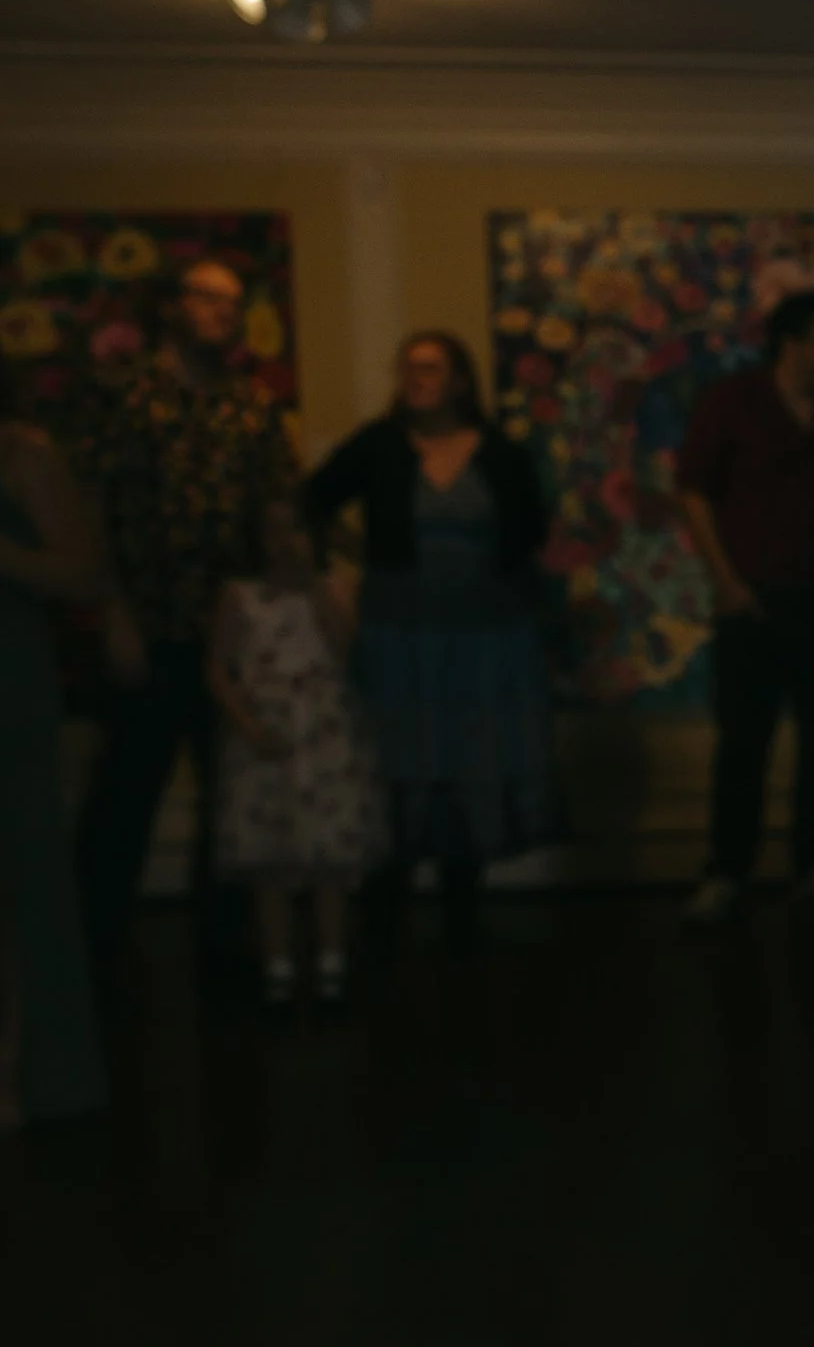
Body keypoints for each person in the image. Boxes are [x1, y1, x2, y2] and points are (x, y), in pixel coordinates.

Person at [71, 254, 297, 963]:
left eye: (235, 302)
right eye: (209, 299)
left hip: (231, 636)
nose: (224, 313)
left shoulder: (250, 404)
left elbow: (276, 509)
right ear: (173, 307)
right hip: (150, 625)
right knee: (124, 796)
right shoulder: (123, 395)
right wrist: (113, 614)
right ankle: (87, 956)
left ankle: (225, 956)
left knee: (233, 802)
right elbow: (90, 507)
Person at [303, 332, 559, 947]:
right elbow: (310, 500)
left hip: (483, 632)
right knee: (399, 753)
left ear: (460, 381)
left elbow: (531, 533)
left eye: (431, 368)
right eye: (409, 368)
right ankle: (387, 901)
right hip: (401, 629)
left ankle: (461, 902)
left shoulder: (498, 452)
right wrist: (360, 553)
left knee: (469, 751)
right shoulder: (380, 445)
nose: (418, 379)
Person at [676, 286, 814, 923]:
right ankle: (726, 871)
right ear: (790, 343)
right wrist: (726, 579)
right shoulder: (733, 404)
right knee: (743, 744)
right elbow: (695, 493)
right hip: (752, 604)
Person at [206, 491, 389, 1006]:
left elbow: (345, 650)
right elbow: (219, 669)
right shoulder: (240, 595)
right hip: (266, 732)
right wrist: (246, 723)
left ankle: (332, 963)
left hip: (324, 731)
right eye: (272, 531)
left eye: (296, 530)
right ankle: (278, 968)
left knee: (329, 856)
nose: (285, 543)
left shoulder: (335, 587)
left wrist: (316, 592)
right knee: (268, 859)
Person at [0, 358, 108, 1126]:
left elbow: (81, 570)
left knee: (24, 877)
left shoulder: (23, 455)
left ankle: (31, 1075)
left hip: (9, 677)